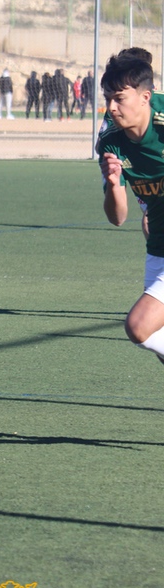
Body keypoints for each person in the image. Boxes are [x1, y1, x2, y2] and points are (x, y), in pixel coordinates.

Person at [96, 51, 164, 366]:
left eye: (119, 98)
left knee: (139, 326)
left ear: (144, 98)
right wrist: (112, 183)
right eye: (108, 98)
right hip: (158, 245)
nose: (111, 107)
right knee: (153, 337)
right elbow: (118, 217)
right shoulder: (110, 142)